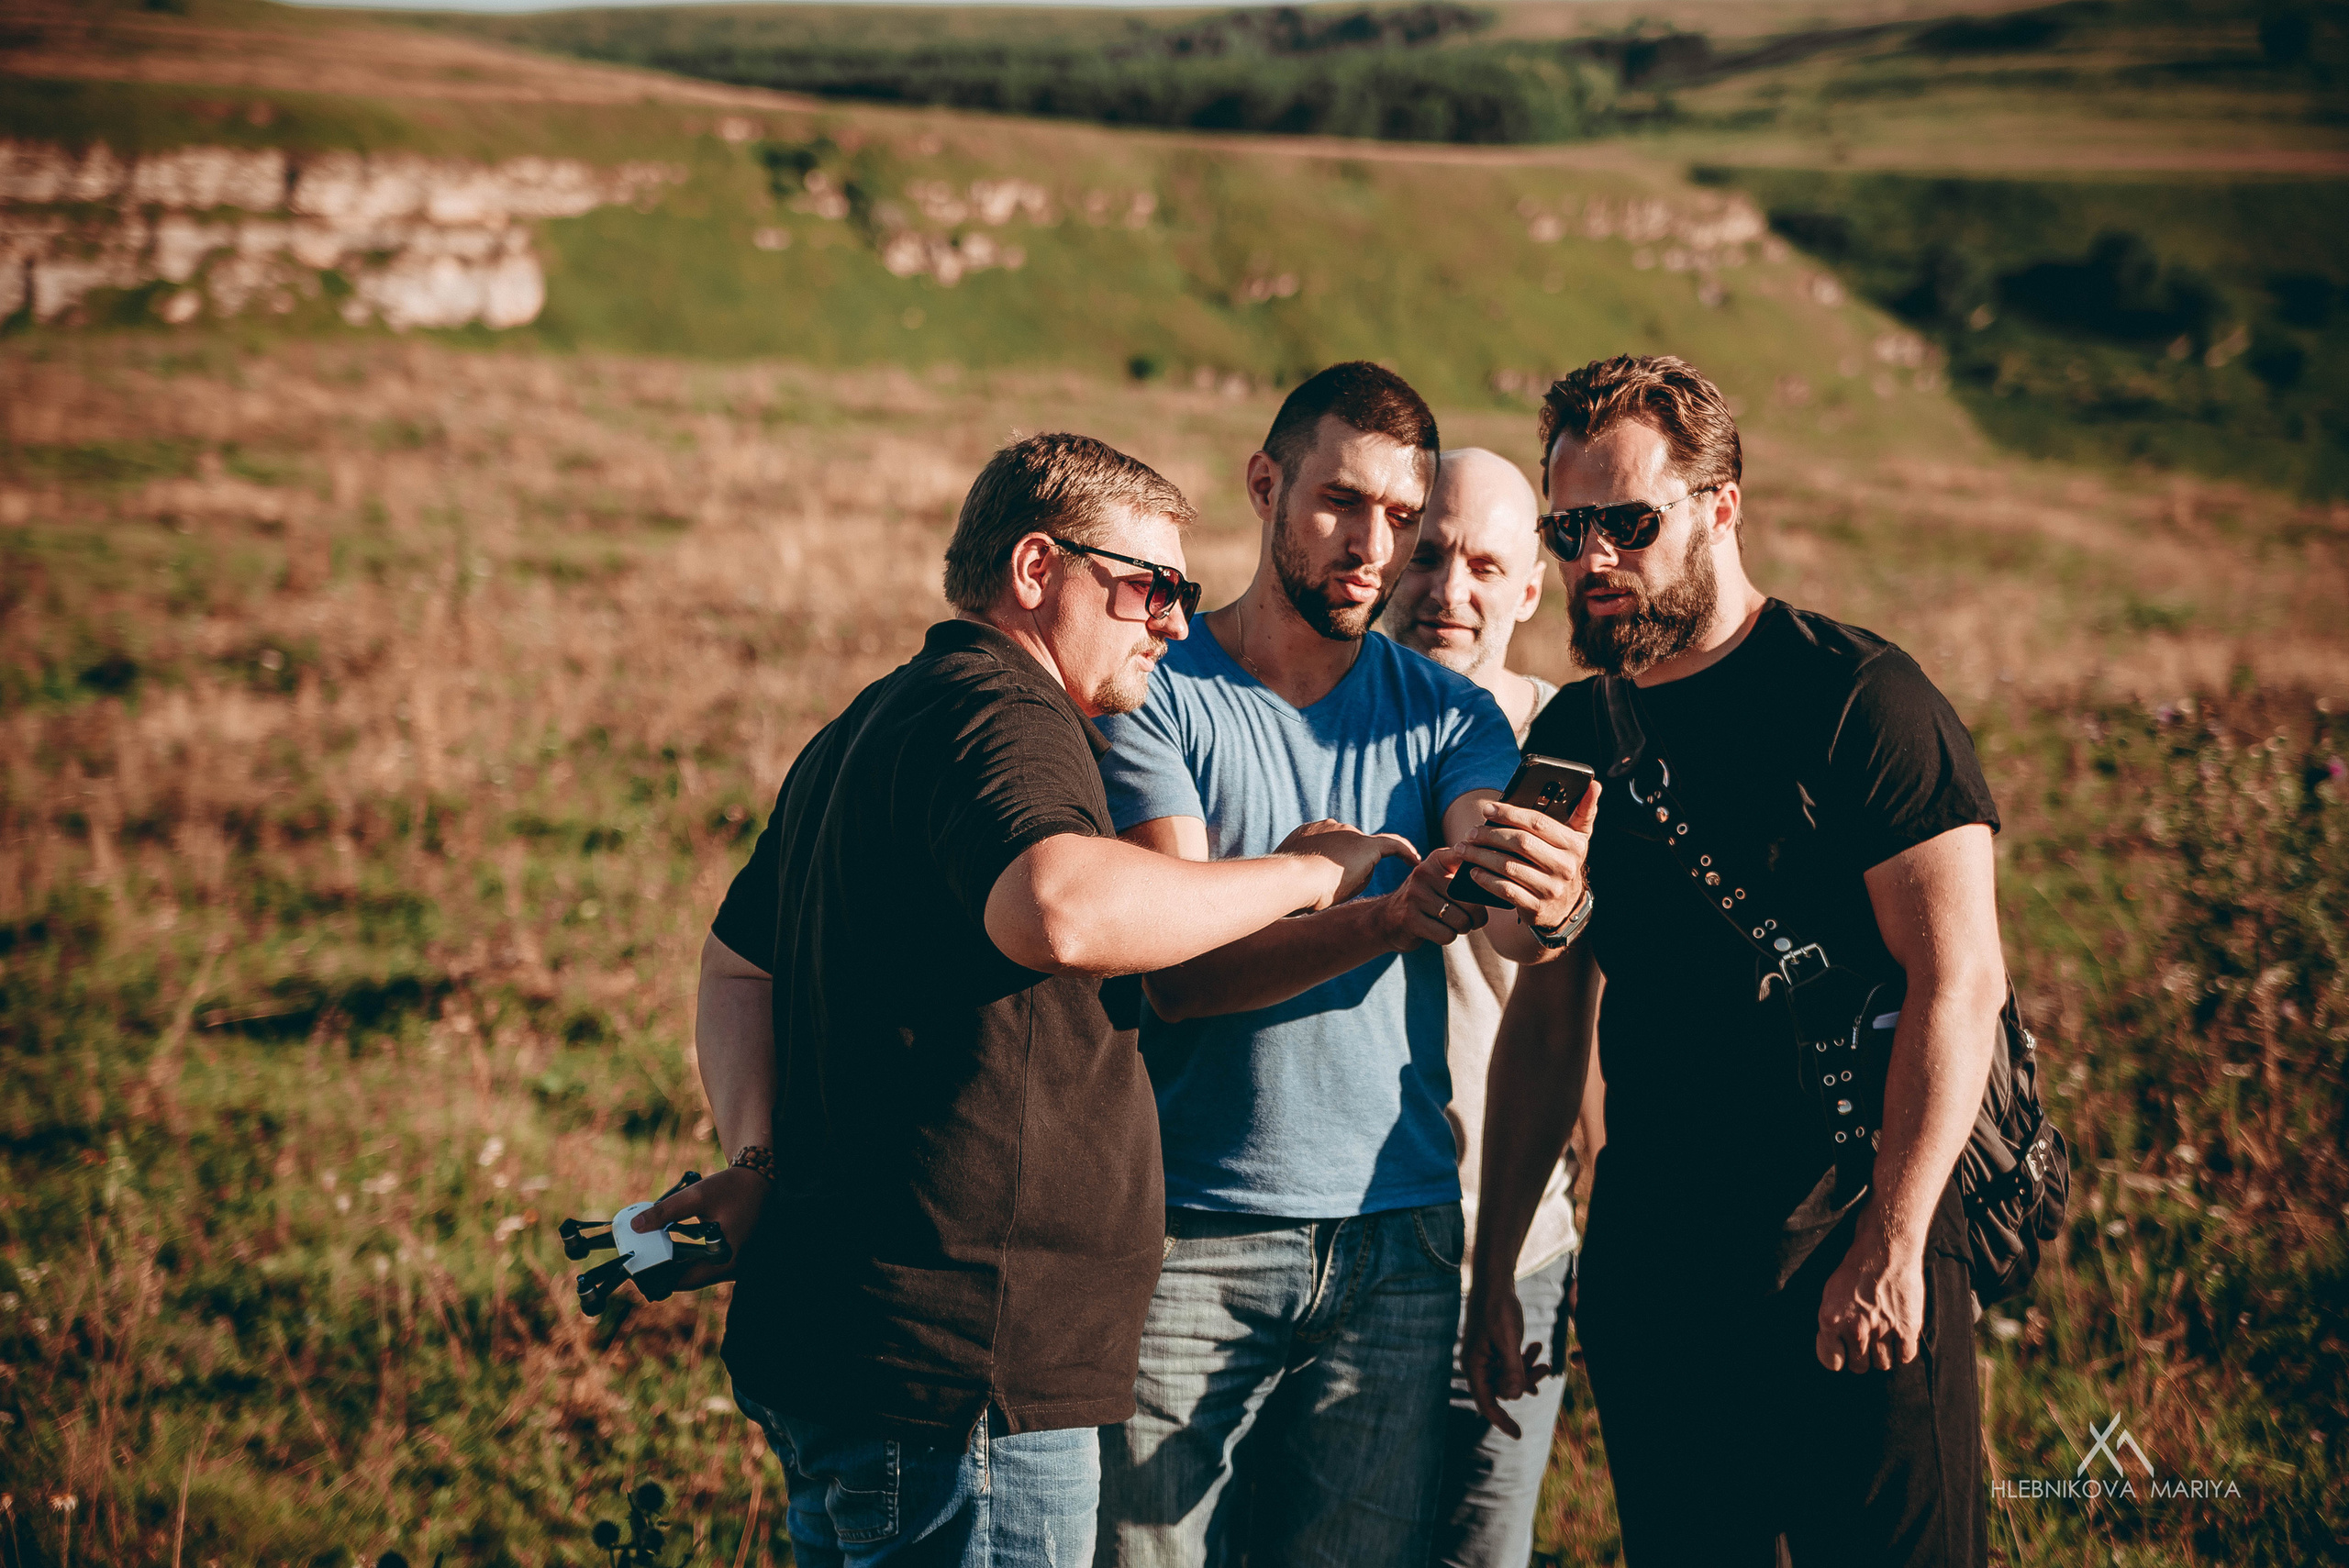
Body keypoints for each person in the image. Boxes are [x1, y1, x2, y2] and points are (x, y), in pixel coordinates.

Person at [637, 432, 1422, 1568]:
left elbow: (735, 967)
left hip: (855, 1358)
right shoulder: (1006, 711)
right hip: (963, 1383)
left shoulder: (868, 720)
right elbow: (1060, 908)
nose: (1174, 623)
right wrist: (1308, 872)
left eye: (1183, 594)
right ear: (1037, 568)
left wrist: (754, 1159)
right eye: (1150, 588)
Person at [1465, 355, 2005, 1566]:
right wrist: (1496, 1264)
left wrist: (1895, 1244)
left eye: (1628, 523)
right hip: (1658, 1273)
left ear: (1722, 506)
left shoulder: (1859, 698)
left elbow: (1959, 979)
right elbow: (1547, 1020)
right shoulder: (1577, 730)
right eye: (1567, 530)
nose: (1593, 559)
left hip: (1851, 1241)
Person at [1092, 367, 1598, 1568]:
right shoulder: (1157, 688)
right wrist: (1376, 916)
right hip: (1191, 1232)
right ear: (1264, 484)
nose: (1374, 546)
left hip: (1396, 1246)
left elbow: (1506, 910)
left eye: (1402, 516)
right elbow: (1177, 974)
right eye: (1341, 502)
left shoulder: (1447, 714)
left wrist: (1549, 895)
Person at [1381, 448, 1585, 1568]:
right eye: (1427, 554)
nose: (1447, 590)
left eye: (1485, 565)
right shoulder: (1328, 718)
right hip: (1342, 1242)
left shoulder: (1573, 750)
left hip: (1513, 1238)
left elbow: (1583, 1009)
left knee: (1479, 1547)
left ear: (1531, 589)